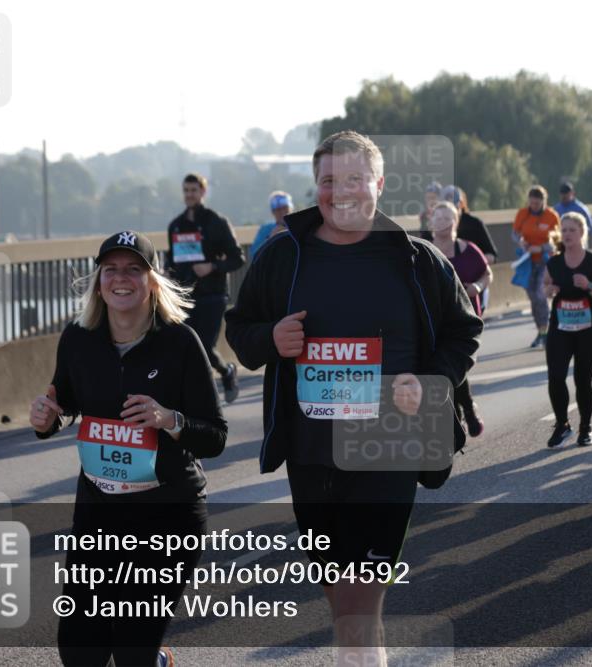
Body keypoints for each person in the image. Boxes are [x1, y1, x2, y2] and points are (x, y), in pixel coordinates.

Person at [225, 131, 482, 666]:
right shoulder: (282, 256)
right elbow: (240, 329)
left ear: (379, 184)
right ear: (314, 186)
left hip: (388, 449)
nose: (339, 191)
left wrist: (431, 380)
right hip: (311, 454)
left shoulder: (417, 261)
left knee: (356, 610)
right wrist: (270, 339)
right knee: (345, 605)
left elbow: (464, 332)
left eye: (353, 179)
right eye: (327, 181)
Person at [31, 230, 228, 667]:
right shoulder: (78, 340)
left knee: (132, 654)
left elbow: (215, 435)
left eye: (134, 269)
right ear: (99, 280)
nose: (122, 279)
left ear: (152, 280)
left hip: (168, 516)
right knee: (80, 651)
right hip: (99, 514)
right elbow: (62, 402)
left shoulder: (180, 343)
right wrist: (47, 419)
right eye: (111, 269)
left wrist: (168, 420)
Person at [165, 173, 246, 403]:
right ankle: (197, 395)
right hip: (185, 296)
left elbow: (237, 258)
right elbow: (172, 261)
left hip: (213, 295)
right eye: (186, 191)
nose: (190, 195)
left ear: (203, 192)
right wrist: (165, 275)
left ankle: (226, 371)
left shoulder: (217, 222)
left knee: (204, 346)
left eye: (194, 190)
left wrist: (212, 266)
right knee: (187, 346)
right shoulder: (176, 225)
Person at [542, 212, 592, 447]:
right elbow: (545, 286)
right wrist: (549, 290)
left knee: (582, 379)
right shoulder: (554, 262)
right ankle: (562, 425)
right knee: (555, 376)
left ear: (582, 232)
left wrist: (590, 285)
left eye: (572, 230)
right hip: (561, 328)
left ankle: (586, 427)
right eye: (563, 231)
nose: (567, 235)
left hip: (588, 330)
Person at [430, 200, 491, 436]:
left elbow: (487, 274)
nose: (442, 222)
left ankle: (464, 410)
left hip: (463, 319)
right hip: (436, 319)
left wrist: (477, 286)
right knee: (446, 366)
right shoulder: (424, 249)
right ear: (431, 221)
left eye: (447, 218)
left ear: (455, 222)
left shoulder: (467, 249)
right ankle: (462, 412)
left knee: (455, 363)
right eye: (438, 218)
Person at [513, 186, 560, 349]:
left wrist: (541, 248)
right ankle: (541, 331)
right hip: (527, 261)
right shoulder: (522, 214)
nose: (533, 206)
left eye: (536, 203)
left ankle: (546, 331)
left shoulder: (551, 216)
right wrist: (521, 241)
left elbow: (557, 240)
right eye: (531, 203)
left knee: (540, 295)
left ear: (543, 202)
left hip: (545, 261)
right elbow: (515, 233)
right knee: (532, 296)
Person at [441, 184, 498, 263]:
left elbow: (492, 255)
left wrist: (472, 265)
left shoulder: (475, 224)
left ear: (461, 203)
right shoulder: (436, 226)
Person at [250, 191, 293, 260]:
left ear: (291, 208)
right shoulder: (265, 229)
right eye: (278, 210)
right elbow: (254, 254)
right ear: (273, 212)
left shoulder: (299, 226)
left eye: (285, 208)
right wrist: (270, 238)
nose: (282, 212)